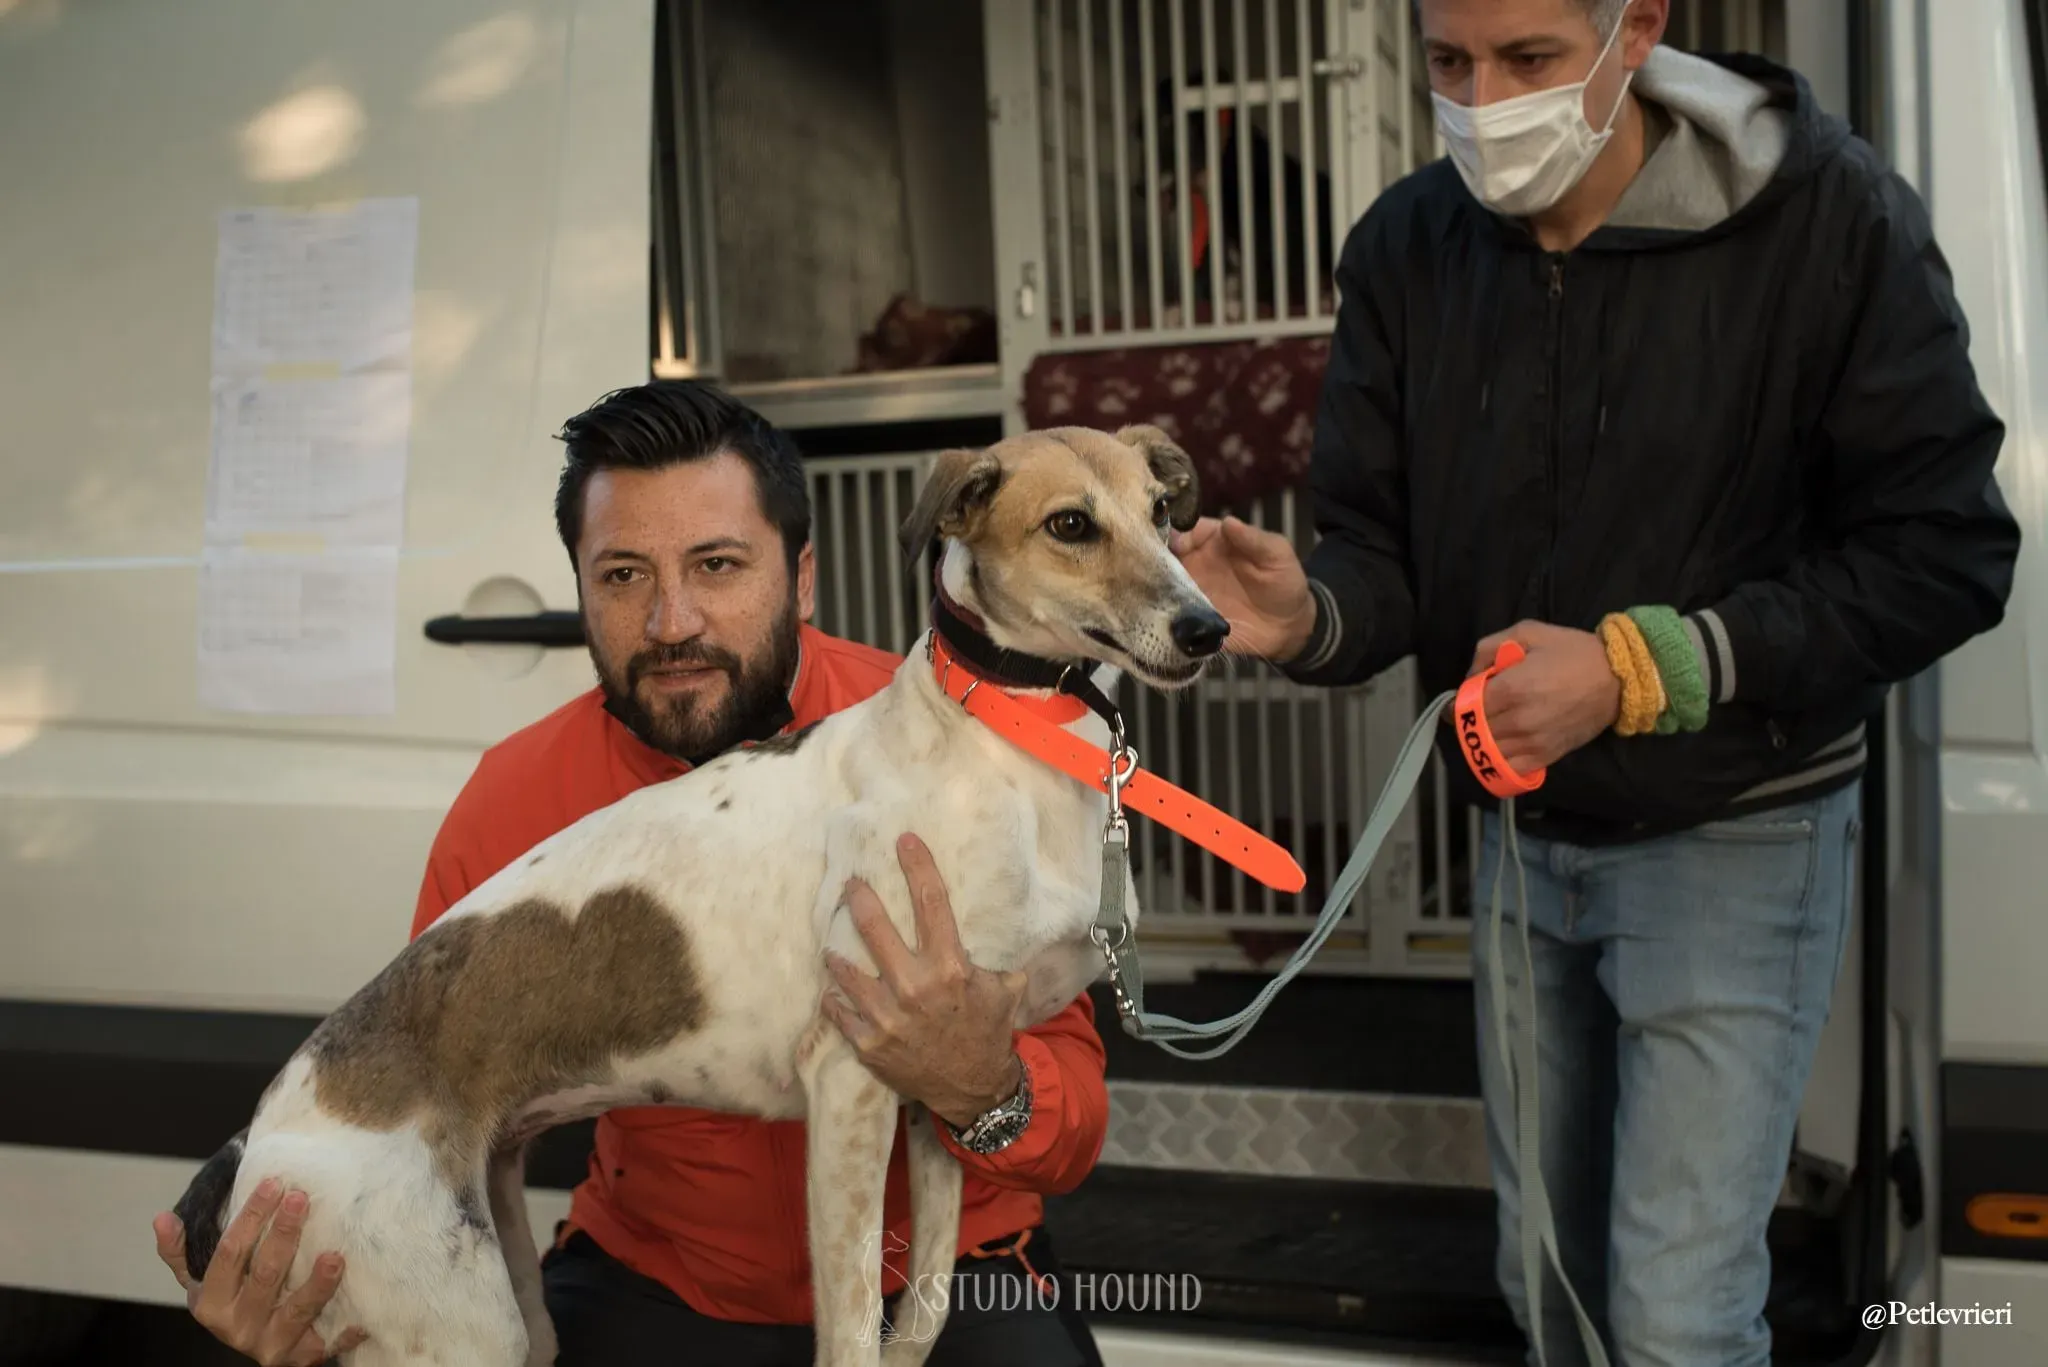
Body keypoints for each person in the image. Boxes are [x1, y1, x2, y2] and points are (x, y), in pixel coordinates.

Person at [1173, 2, 2020, 1365]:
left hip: (1739, 824)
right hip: (1520, 835)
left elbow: (1946, 551)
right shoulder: (1407, 245)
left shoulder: (1826, 218)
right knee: (1543, 1281)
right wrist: (1311, 610)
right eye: (1448, 63)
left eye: (1527, 61)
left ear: (1636, 27)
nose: (1482, 104)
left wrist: (1640, 669)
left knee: (1677, 1315)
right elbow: (1380, 550)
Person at [152, 379, 1110, 1367]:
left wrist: (984, 1082)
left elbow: (1075, 1115)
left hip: (949, 1275)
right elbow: (429, 1067)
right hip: (662, 1280)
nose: (669, 619)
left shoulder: (958, 734)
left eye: (718, 564)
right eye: (620, 575)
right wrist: (324, 1279)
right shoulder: (515, 796)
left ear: (803, 575)